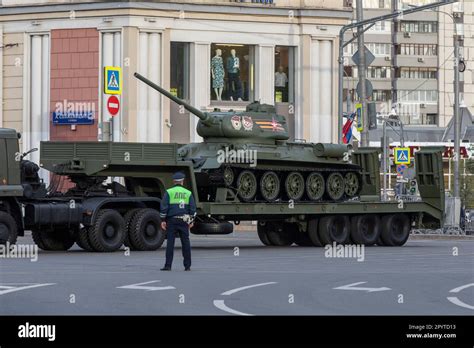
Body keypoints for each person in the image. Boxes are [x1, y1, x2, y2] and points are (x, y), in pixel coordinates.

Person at [159, 172, 196, 271]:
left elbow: (164, 207)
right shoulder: (188, 193)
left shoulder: (169, 192)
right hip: (184, 220)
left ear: (174, 181)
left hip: (172, 220)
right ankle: (187, 266)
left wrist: (163, 220)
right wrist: (191, 221)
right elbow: (192, 209)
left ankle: (168, 265)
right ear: (182, 181)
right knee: (186, 243)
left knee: (170, 243)